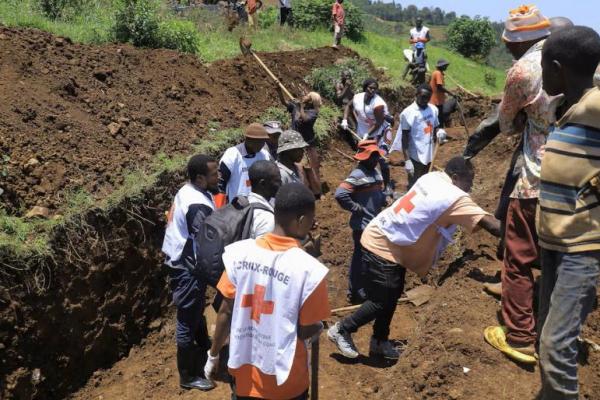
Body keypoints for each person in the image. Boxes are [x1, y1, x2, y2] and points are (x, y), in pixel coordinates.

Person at [328, 157, 501, 360]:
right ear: (455, 177)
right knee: (382, 300)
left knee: (393, 293)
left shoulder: (433, 177)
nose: (471, 186)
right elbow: (492, 226)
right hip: (384, 246)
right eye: (469, 180)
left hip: (386, 237)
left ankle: (379, 341)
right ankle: (342, 329)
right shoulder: (455, 197)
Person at [204, 183, 331, 400]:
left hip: (244, 378)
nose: (313, 225)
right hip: (286, 382)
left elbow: (225, 311)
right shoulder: (310, 272)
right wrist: (318, 326)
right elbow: (304, 330)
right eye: (311, 220)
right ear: (301, 221)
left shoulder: (239, 255)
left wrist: (213, 355)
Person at [483, 4, 554, 364]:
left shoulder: (523, 70)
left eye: (509, 42)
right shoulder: (580, 60)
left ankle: (521, 336)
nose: (508, 48)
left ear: (519, 41)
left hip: (537, 177)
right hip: (582, 178)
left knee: (518, 255)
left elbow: (507, 125)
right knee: (559, 256)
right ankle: (555, 331)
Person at [537, 25, 600, 399]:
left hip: (580, 248)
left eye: (542, 65)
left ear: (557, 68)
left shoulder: (595, 104)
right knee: (547, 335)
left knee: (556, 346)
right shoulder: (571, 108)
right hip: (555, 244)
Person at [161, 154, 219, 391]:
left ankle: (203, 346)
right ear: (200, 178)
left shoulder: (188, 191)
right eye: (214, 173)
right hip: (187, 268)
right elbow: (206, 238)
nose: (219, 176)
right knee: (186, 319)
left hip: (181, 261)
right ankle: (187, 376)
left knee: (195, 310)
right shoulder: (197, 205)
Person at [335, 141, 386, 304]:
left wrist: (385, 199)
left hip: (374, 223)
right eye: (372, 156)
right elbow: (340, 194)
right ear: (364, 157)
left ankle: (365, 287)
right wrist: (355, 207)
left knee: (370, 257)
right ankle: (356, 291)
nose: (376, 158)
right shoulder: (358, 174)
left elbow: (379, 191)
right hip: (362, 225)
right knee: (360, 258)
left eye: (377, 155)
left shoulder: (376, 172)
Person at [396, 84, 443, 188]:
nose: (425, 100)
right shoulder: (408, 113)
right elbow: (404, 139)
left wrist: (439, 132)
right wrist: (407, 160)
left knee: (425, 184)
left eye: (427, 97)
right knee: (414, 186)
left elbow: (436, 127)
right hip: (415, 157)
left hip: (429, 154)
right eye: (422, 96)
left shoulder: (433, 109)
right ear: (416, 95)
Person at [216, 123, 272, 207]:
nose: (262, 145)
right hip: (236, 207)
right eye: (259, 142)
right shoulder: (233, 155)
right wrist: (219, 209)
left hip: (258, 206)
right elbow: (220, 183)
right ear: (248, 140)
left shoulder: (264, 155)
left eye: (263, 141)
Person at [280, 91, 322, 193]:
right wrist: (278, 90)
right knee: (300, 169)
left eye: (308, 95)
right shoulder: (296, 106)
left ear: (311, 101)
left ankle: (318, 191)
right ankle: (305, 191)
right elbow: (284, 102)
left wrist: (300, 107)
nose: (305, 96)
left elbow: (305, 120)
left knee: (312, 169)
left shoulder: (313, 112)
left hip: (308, 144)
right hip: (296, 144)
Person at [248, 160, 281, 239]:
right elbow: (265, 251)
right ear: (263, 183)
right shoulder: (266, 219)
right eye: (277, 180)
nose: (281, 183)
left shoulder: (247, 202)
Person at [430, 59, 457, 128]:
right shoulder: (438, 73)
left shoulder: (438, 73)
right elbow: (440, 87)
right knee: (439, 119)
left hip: (438, 100)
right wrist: (451, 93)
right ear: (441, 66)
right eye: (445, 66)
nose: (446, 67)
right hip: (436, 101)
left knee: (439, 118)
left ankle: (437, 134)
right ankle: (438, 135)